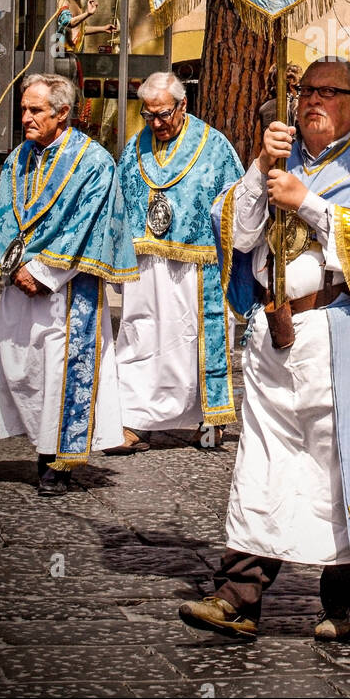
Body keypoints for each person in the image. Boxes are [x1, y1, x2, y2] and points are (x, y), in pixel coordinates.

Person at [178, 57, 350, 642]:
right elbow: (235, 235)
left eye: (330, 92)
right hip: (273, 333)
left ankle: (343, 608)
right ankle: (238, 596)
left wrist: (308, 203)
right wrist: (263, 172)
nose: (315, 100)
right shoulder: (277, 157)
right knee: (263, 465)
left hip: (343, 331)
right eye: (307, 90)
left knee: (345, 469)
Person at [0, 74, 136, 495]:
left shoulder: (94, 162)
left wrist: (45, 273)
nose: (25, 118)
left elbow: (90, 226)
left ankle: (56, 461)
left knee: (60, 372)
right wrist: (13, 267)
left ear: (62, 113)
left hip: (67, 290)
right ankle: (40, 443)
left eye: (35, 111)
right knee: (24, 369)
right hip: (20, 282)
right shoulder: (18, 158)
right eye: (23, 109)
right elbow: (6, 215)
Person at [109, 72, 244, 454]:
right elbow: (120, 207)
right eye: (148, 115)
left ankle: (208, 419)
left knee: (192, 341)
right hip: (145, 270)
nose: (156, 123)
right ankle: (134, 418)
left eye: (164, 114)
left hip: (196, 270)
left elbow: (236, 206)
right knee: (140, 337)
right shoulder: (136, 147)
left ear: (183, 106)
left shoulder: (215, 147)